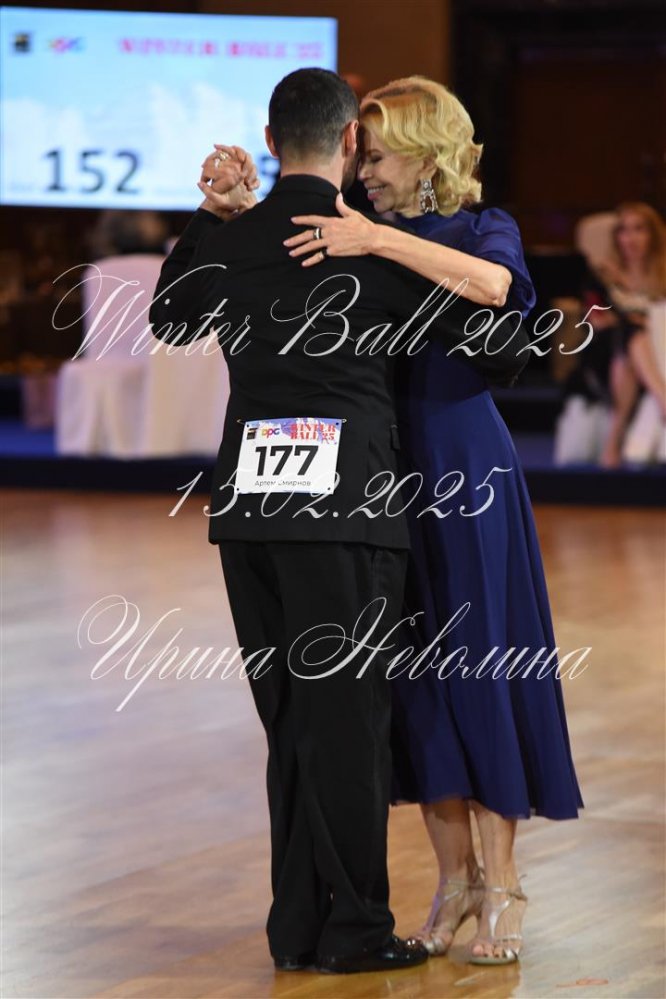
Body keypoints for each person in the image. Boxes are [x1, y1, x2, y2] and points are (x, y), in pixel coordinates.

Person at [148, 69, 529, 975]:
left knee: (287, 723)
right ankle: (355, 928)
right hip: (348, 516)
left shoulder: (234, 240)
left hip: (249, 518)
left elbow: (168, 318)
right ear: (350, 141)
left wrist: (211, 218)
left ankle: (295, 928)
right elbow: (503, 344)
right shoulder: (360, 244)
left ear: (270, 141)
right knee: (348, 723)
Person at [282, 75, 584, 965]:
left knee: (480, 663)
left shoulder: (481, 228)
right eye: (362, 156)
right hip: (382, 471)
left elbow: (493, 287)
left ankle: (504, 884)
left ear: (425, 154)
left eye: (379, 155)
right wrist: (231, 206)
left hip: (464, 463)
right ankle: (454, 882)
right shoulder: (352, 223)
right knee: (413, 678)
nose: (366, 170)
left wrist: (376, 240)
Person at [555, 202, 666, 466]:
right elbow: (597, 320)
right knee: (630, 336)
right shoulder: (602, 275)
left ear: (653, 234)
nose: (630, 238)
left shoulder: (662, 276)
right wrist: (632, 320)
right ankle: (660, 401)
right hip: (605, 353)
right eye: (624, 230)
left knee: (636, 339)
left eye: (639, 229)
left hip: (658, 353)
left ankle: (615, 441)